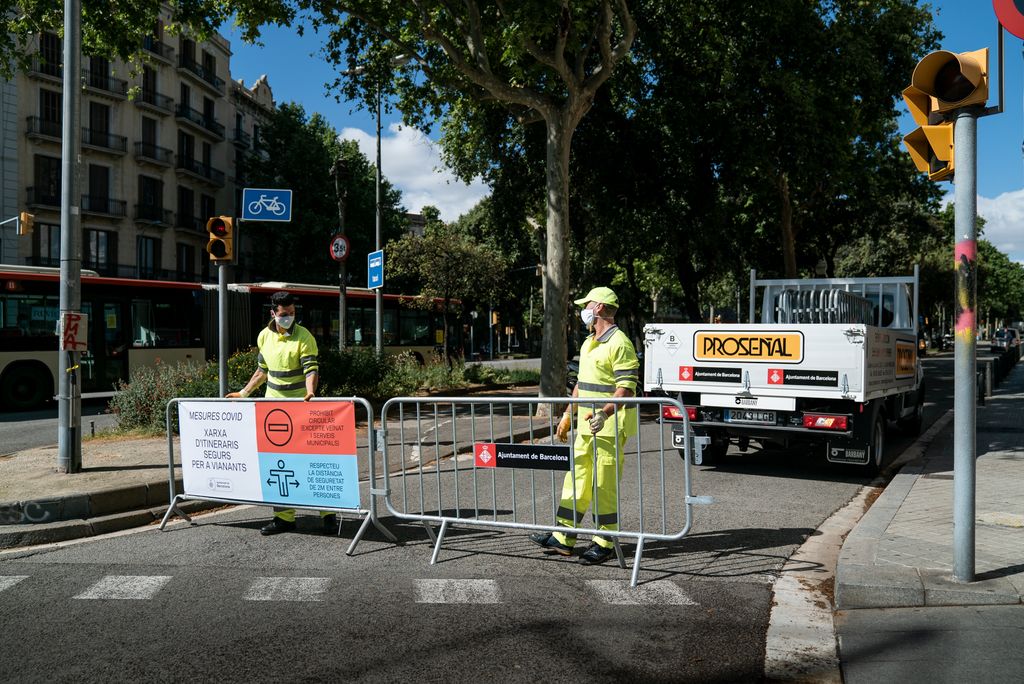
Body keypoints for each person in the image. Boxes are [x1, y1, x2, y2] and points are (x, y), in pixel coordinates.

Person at [531, 286, 640, 565]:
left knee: (603, 485)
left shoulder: (620, 343)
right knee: (577, 479)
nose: (584, 310)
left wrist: (604, 414)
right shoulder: (590, 342)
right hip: (587, 426)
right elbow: (581, 384)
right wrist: (569, 414)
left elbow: (625, 389)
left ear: (600, 307)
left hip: (610, 426)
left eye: (587, 304)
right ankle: (564, 536)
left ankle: (604, 541)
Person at [225, 291, 333, 536]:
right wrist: (243, 393)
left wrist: (310, 392)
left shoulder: (304, 337)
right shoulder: (264, 336)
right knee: (278, 464)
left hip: (300, 410)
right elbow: (262, 370)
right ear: (273, 313)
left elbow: (310, 369)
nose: (289, 318)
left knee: (311, 463)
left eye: (293, 314)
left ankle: (328, 515)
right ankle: (283, 518)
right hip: (273, 412)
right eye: (284, 314)